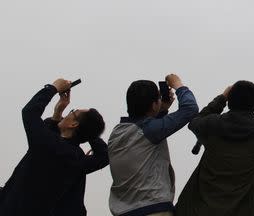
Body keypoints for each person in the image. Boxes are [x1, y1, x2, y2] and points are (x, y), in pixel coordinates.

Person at [174, 80, 254, 216]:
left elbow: (195, 121)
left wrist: (221, 98)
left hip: (194, 211)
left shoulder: (213, 125)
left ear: (230, 101)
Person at [0, 78, 108, 216]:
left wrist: (52, 88)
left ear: (74, 124)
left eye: (72, 112)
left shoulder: (48, 144)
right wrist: (88, 129)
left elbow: (30, 112)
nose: (67, 113)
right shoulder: (78, 159)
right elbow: (104, 156)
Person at [108, 73, 199, 216]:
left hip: (123, 211)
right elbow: (190, 109)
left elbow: (146, 130)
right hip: (152, 209)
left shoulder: (117, 133)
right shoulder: (149, 130)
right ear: (153, 104)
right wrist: (178, 85)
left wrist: (161, 110)